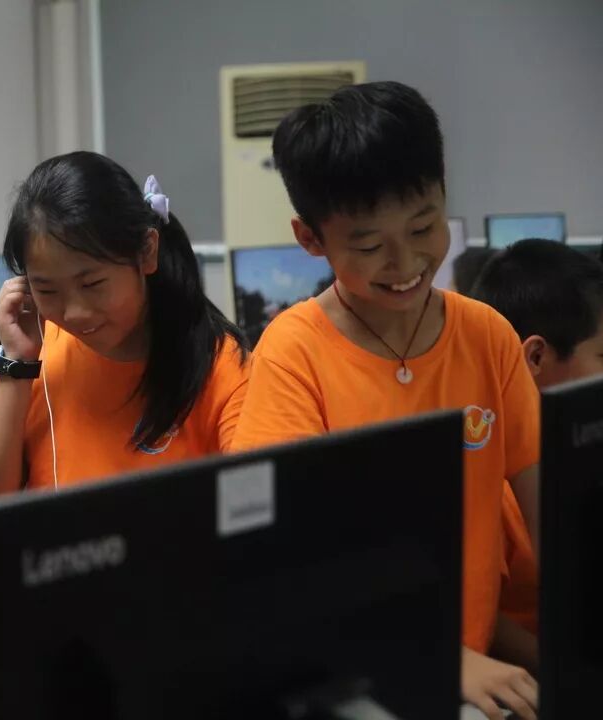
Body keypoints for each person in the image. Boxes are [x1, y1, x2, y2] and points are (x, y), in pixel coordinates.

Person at [229, 82, 540, 720]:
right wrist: (441, 655)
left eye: (424, 226)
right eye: (369, 246)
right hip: (352, 681)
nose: (406, 262)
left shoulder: (486, 336)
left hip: (467, 678)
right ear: (310, 239)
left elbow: (551, 511)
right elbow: (287, 561)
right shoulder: (293, 353)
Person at [0, 151, 249, 502]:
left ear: (147, 252)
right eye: (47, 290)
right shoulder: (39, 354)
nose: (75, 313)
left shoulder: (221, 368)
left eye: (92, 284)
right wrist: (17, 364)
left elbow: (255, 503)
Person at [471, 238, 603, 673]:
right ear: (536, 357)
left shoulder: (582, 445)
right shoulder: (491, 477)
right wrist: (573, 672)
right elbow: (487, 620)